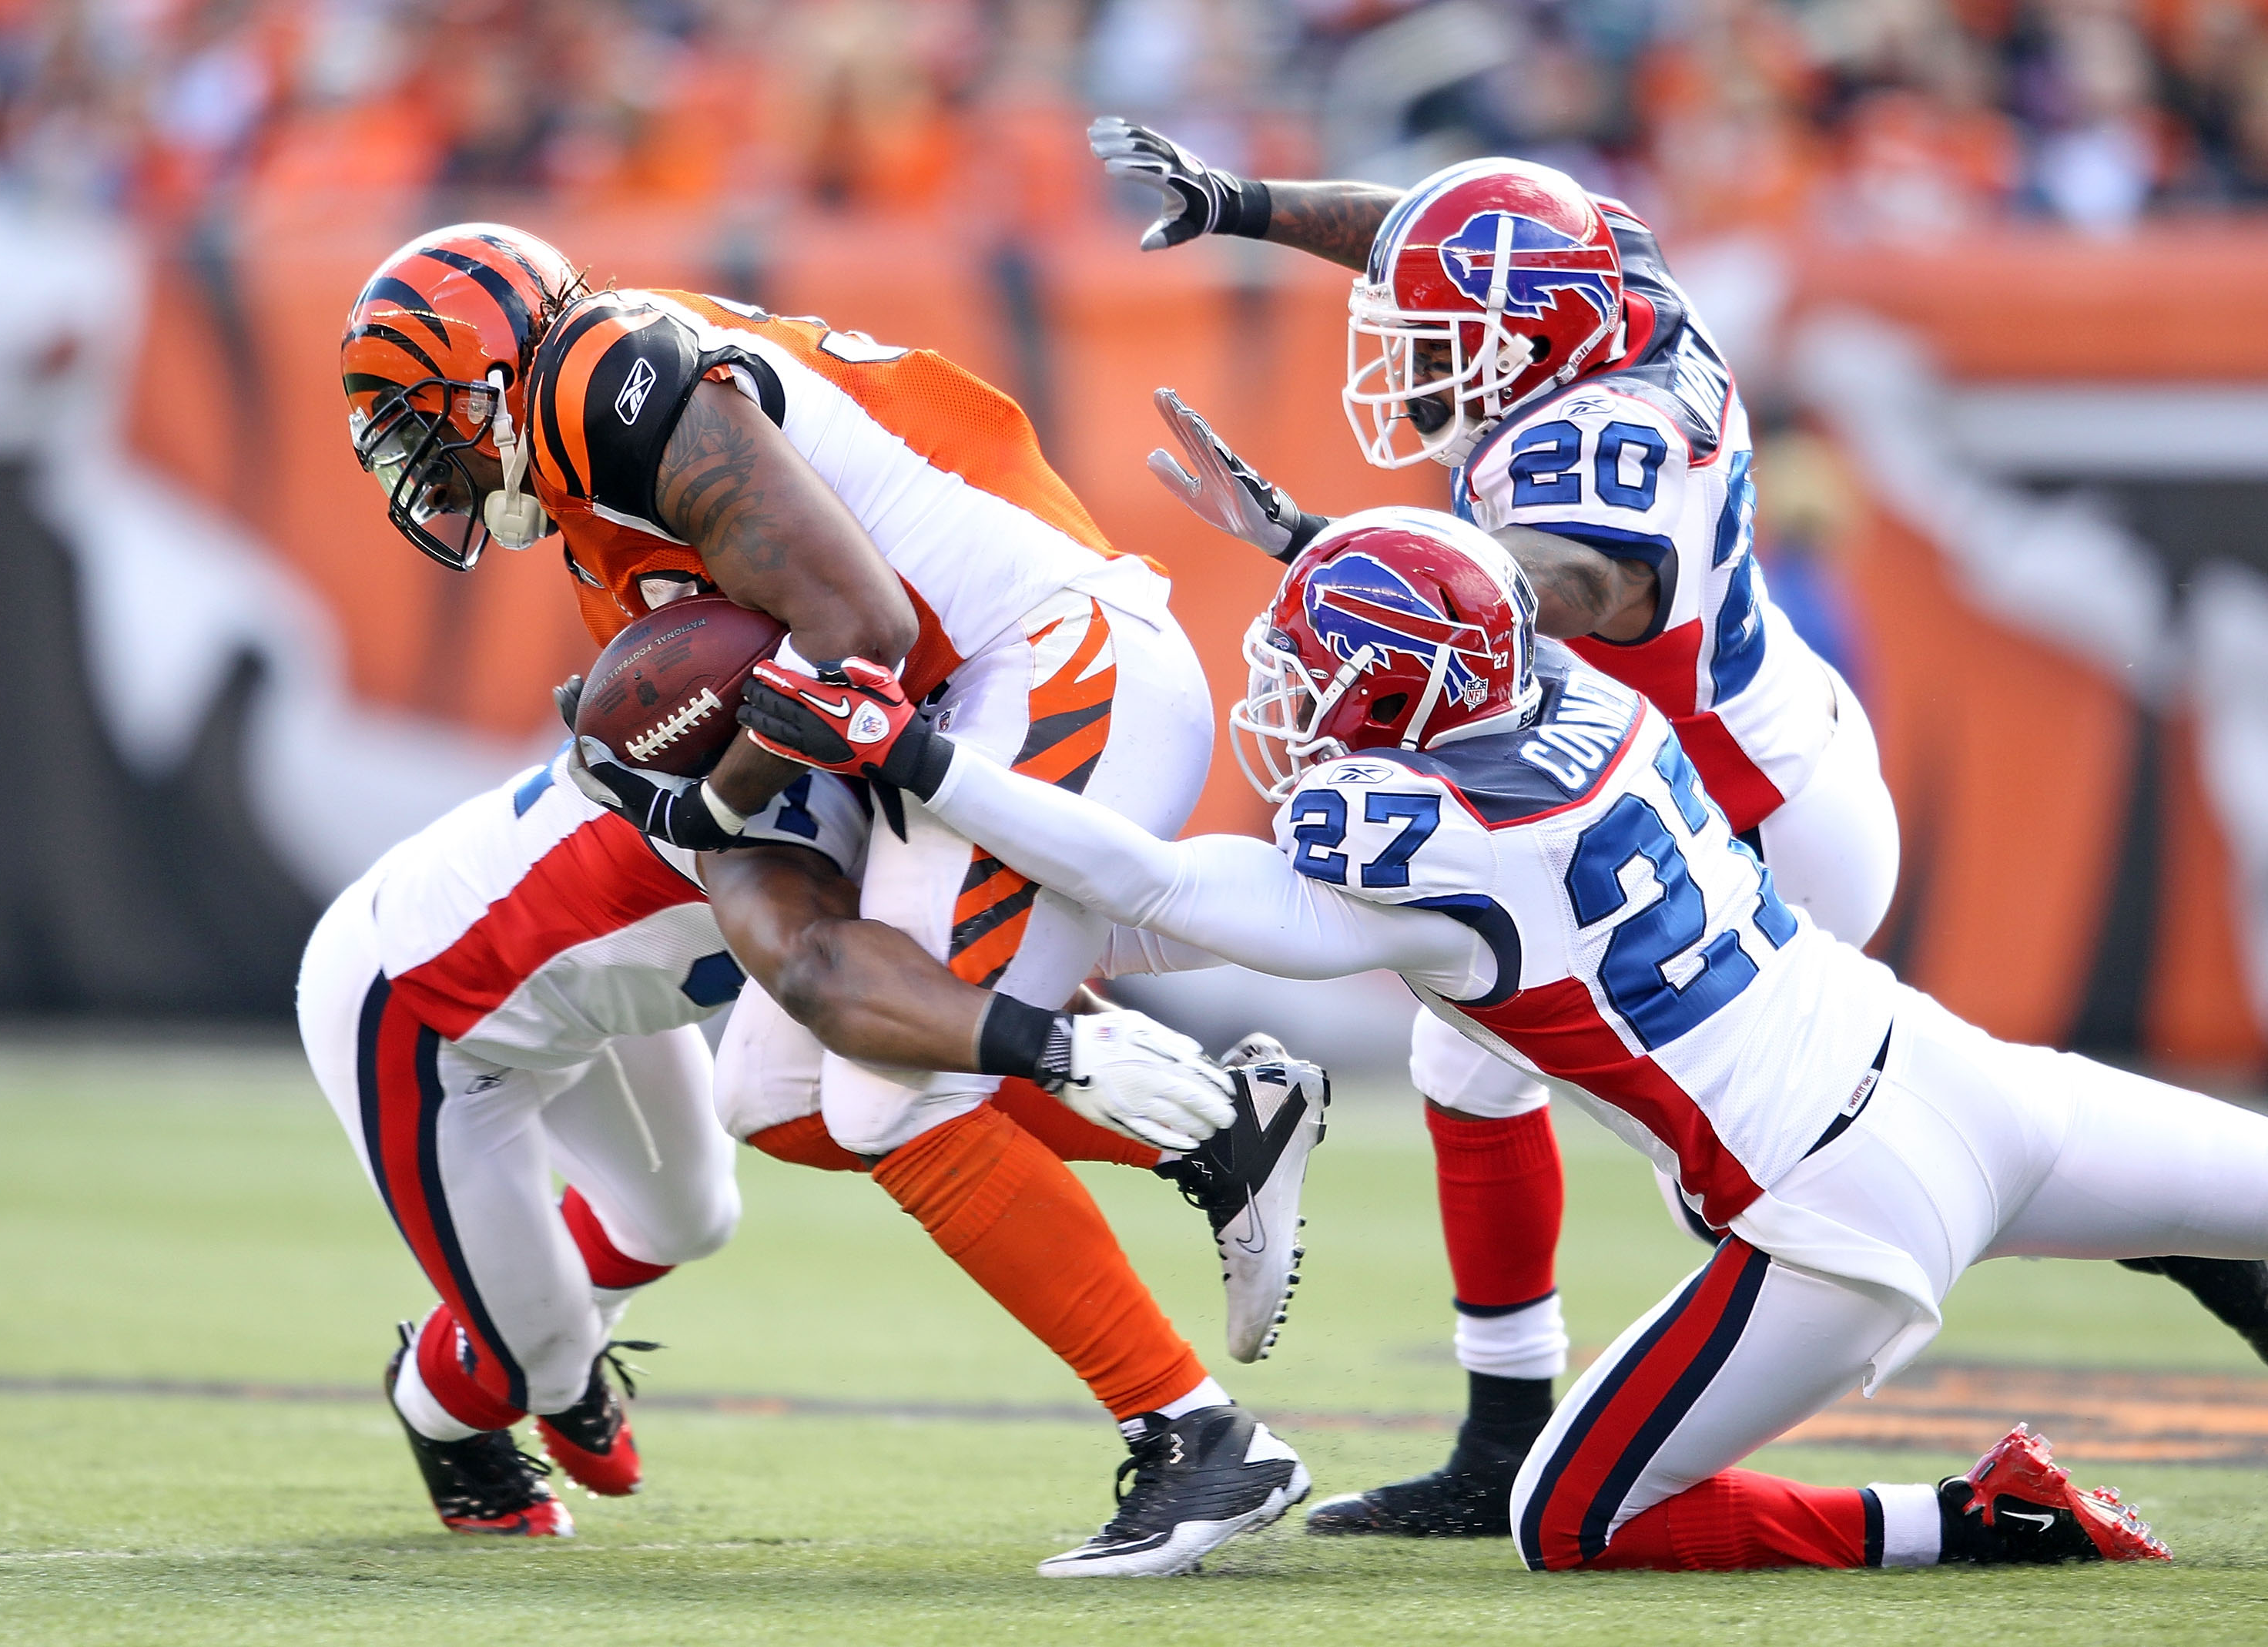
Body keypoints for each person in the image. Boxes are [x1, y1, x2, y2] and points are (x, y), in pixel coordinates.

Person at [1088, 119, 2268, 1532]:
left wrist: (1345, 562)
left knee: (1735, 1132)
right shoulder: (1617, 287)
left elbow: (1580, 580)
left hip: (1736, 805)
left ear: (1533, 344)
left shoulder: (1593, 450)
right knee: (1487, 1062)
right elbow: (1450, 236)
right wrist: (1252, 201)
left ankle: (1571, 1425)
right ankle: (1515, 1431)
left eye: (1435, 341)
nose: (1407, 362)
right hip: (1771, 745)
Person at [730, 504, 2260, 1572]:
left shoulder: (1418, 843)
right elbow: (1446, 630)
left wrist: (920, 754)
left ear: (1396, 694)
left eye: (1321, 674)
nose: (1297, 700)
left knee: (1573, 1519)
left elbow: (1151, 886)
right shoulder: (1586, 696)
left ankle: (1988, 1516)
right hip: (1965, 1073)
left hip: (1838, 1203)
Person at [335, 228, 1322, 1573]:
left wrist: (717, 794)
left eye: (421, 423)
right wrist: (704, 806)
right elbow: (790, 903)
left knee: (884, 1092)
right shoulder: (595, 524)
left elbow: (861, 623)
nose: (421, 468)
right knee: (779, 1099)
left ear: (488, 376)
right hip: (971, 702)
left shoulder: (597, 377)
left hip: (1043, 654)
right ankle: (1220, 1132)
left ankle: (1197, 1438)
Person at [298, 729, 1315, 1565]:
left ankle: (541, 1327)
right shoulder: (751, 808)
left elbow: (968, 952)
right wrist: (1067, 1041)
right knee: (539, 1361)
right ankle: (450, 1402)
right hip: (425, 1013)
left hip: (586, 1000)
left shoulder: (828, 757)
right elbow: (864, 979)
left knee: (690, 1214)